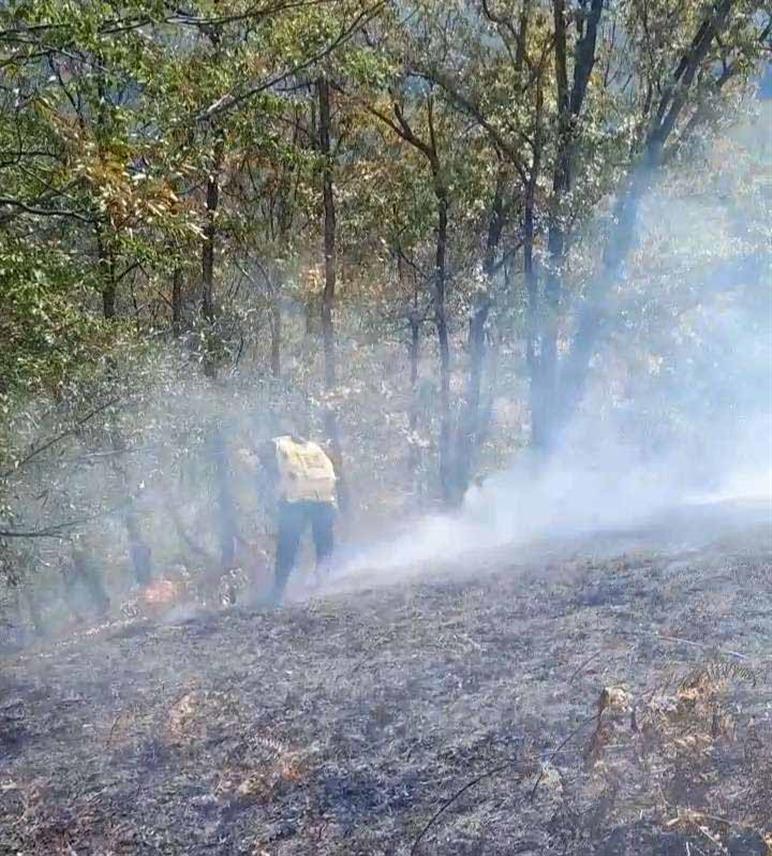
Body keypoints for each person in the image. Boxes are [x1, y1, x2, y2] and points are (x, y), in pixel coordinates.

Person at [240, 428, 337, 605]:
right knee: (324, 543)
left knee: (287, 547)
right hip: (324, 497)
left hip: (296, 499)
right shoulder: (312, 447)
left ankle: (278, 592)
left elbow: (259, 468)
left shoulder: (276, 445)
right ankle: (324, 583)